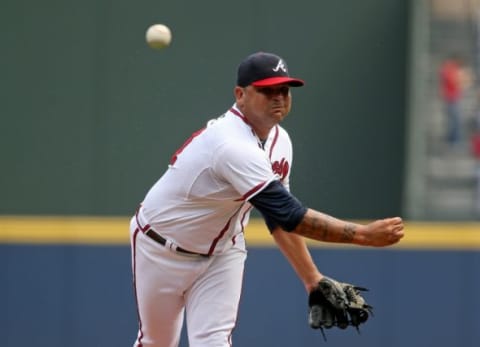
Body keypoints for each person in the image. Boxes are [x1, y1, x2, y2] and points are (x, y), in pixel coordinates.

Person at [129, 51, 405, 347]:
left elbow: (277, 218)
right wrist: (362, 235)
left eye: (284, 90)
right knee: (157, 343)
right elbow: (290, 214)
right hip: (160, 246)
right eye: (267, 90)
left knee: (214, 342)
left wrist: (311, 278)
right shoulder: (230, 144)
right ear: (241, 94)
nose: (278, 97)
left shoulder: (280, 141)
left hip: (223, 252)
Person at [439, 55, 469, 146]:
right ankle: (454, 139)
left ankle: (453, 138)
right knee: (454, 119)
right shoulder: (449, 69)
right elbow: (453, 81)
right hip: (451, 97)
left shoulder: (454, 69)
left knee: (455, 119)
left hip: (454, 97)